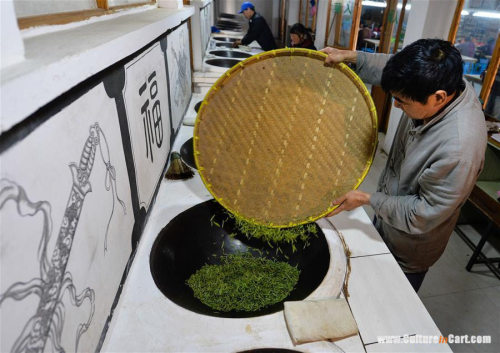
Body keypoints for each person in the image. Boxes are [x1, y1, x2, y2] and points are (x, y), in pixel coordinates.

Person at [321, 39, 487, 291]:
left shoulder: (459, 148)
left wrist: (368, 199)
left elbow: (423, 213)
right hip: (388, 215)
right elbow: (394, 66)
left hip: (410, 246)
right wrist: (350, 56)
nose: (396, 105)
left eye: (401, 101)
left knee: (389, 301)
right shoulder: (441, 79)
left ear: (438, 98)